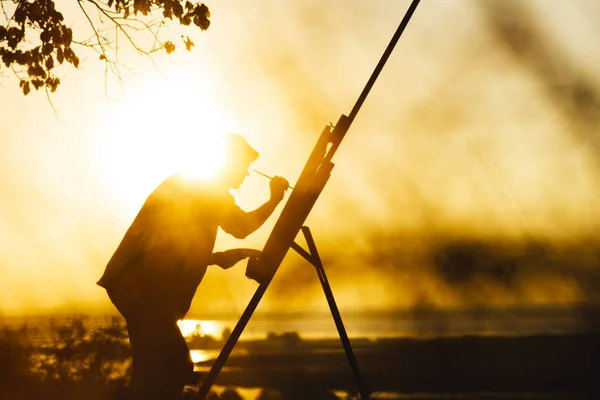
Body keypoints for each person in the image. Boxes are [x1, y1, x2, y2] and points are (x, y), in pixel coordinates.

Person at [96, 133, 289, 399]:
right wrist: (275, 198)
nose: (245, 174)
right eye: (243, 166)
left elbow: (171, 244)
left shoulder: (195, 186)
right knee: (175, 365)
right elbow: (241, 228)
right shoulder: (206, 189)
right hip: (141, 288)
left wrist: (214, 258)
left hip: (134, 283)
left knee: (156, 369)